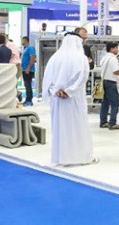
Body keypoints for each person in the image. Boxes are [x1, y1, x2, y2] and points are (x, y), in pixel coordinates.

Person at [43, 34, 96, 167]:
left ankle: (62, 157)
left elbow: (47, 80)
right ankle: (80, 157)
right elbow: (83, 78)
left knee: (61, 129)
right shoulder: (81, 58)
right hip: (74, 100)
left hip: (58, 100)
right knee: (77, 128)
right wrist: (69, 91)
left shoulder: (55, 58)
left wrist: (56, 91)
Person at [99, 42, 119, 130]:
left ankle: (103, 121)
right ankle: (112, 123)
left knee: (105, 103)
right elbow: (116, 71)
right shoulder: (113, 59)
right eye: (116, 48)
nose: (118, 49)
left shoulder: (105, 58)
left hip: (104, 81)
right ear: (112, 49)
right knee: (115, 103)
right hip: (111, 83)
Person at [21, 36, 36, 106]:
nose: (22, 42)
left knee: (28, 84)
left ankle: (29, 100)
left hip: (28, 70)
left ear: (25, 40)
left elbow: (33, 57)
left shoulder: (30, 48)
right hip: (24, 69)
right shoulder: (25, 48)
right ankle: (27, 99)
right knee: (26, 85)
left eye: (22, 40)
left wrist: (28, 68)